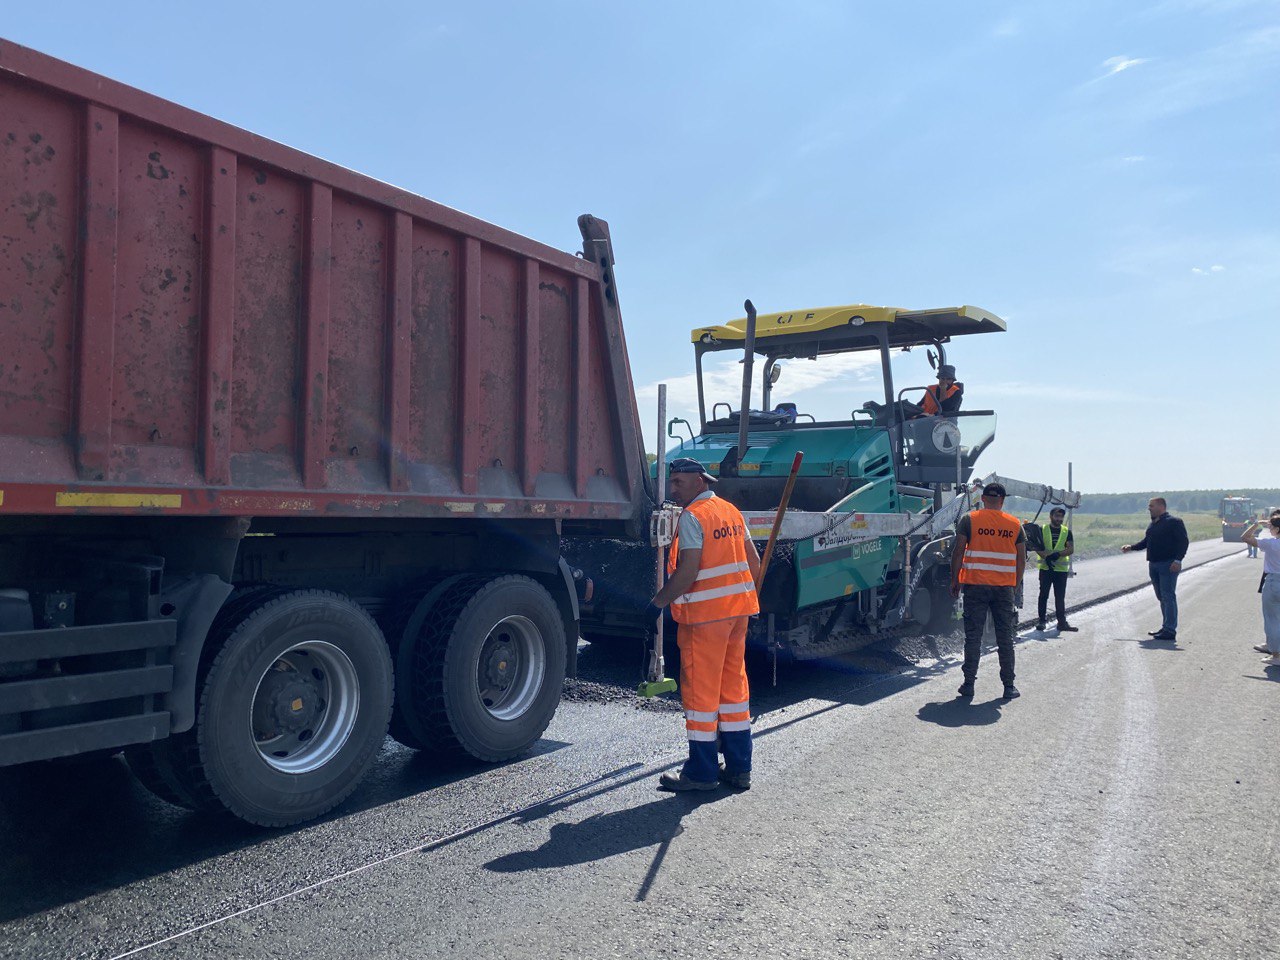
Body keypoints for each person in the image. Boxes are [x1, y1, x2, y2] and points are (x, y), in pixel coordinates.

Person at [647, 457, 761, 792]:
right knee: (733, 691)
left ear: (700, 481)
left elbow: (689, 570)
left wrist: (657, 603)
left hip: (705, 619)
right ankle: (739, 769)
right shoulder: (730, 511)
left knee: (701, 694)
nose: (673, 489)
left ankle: (701, 773)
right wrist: (738, 598)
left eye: (679, 482)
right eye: (672, 482)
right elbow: (752, 561)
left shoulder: (694, 517)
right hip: (736, 614)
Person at [950, 482, 1027, 701]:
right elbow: (1021, 558)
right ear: (1002, 501)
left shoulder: (969, 520)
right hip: (1003, 588)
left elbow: (958, 552)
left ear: (982, 498)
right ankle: (1009, 686)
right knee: (1005, 637)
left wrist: (955, 579)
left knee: (973, 636)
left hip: (975, 586)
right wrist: (1015, 583)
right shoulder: (1015, 525)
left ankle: (968, 684)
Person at [1121, 497, 1189, 641]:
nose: (1149, 508)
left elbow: (1183, 542)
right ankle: (1165, 627)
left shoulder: (1174, 522)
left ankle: (1170, 630)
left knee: (1168, 596)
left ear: (1161, 506)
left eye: (1151, 506)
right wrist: (1131, 547)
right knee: (1161, 597)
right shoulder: (1153, 524)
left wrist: (1178, 560)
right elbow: (1147, 542)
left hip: (1168, 564)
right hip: (1154, 564)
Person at [1243, 515, 1280, 664]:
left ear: (1278, 529)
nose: (1269, 529)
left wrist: (1257, 524)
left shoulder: (1271, 543)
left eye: (1271, 527)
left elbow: (1245, 537)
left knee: (1272, 620)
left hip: (1273, 581)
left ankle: (1276, 655)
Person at [1033, 507, 1077, 632]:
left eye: (1061, 517)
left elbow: (1070, 549)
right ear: (1051, 516)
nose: (1059, 519)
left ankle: (1061, 623)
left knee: (1060, 597)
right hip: (1046, 569)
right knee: (1043, 595)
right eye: (1057, 516)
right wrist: (1046, 557)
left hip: (1061, 571)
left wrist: (1058, 554)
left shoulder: (1066, 531)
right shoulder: (1043, 530)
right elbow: (1037, 546)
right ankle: (1042, 621)